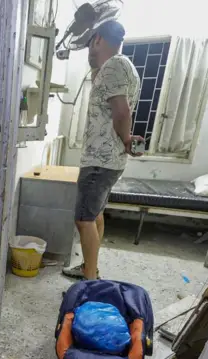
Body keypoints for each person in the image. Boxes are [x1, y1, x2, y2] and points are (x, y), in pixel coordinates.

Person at [62, 21, 142, 280]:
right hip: (109, 160)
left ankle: (90, 283)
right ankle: (89, 268)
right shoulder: (123, 66)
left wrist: (127, 137)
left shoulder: (113, 66)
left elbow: (122, 111)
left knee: (83, 219)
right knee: (95, 215)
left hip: (100, 160)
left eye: (90, 45)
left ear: (97, 39)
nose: (88, 51)